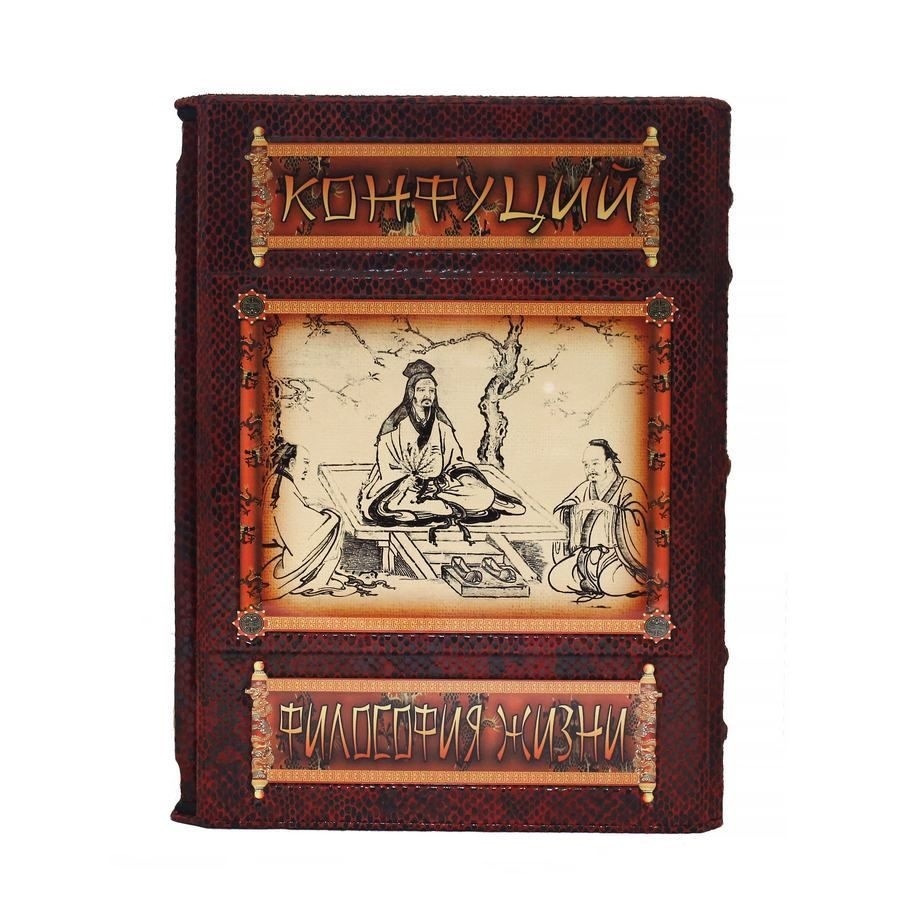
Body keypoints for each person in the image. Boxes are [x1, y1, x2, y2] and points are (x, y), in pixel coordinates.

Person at [358, 359, 524, 534]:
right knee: (387, 504)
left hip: (440, 486)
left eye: (431, 390)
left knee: (483, 495)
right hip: (403, 486)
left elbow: (455, 459)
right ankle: (442, 508)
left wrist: (465, 478)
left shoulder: (441, 423)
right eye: (422, 390)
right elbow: (387, 464)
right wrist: (407, 481)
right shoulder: (394, 425)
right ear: (411, 392)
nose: (427, 394)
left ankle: (438, 509)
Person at [547, 438, 649, 601]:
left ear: (608, 463)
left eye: (595, 463)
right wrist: (576, 510)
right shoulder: (585, 488)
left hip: (618, 557)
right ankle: (592, 583)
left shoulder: (630, 487)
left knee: (610, 583)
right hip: (586, 557)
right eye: (586, 465)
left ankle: (641, 583)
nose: (590, 469)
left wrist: (611, 511)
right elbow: (560, 513)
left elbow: (640, 522)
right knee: (556, 578)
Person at [262, 442, 357, 598]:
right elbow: (301, 533)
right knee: (336, 519)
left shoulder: (277, 479)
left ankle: (323, 574)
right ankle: (319, 580)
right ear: (292, 463)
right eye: (305, 462)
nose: (307, 468)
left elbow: (294, 510)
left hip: (280, 547)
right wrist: (330, 516)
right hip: (288, 557)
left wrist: (311, 505)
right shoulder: (285, 486)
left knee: (329, 516)